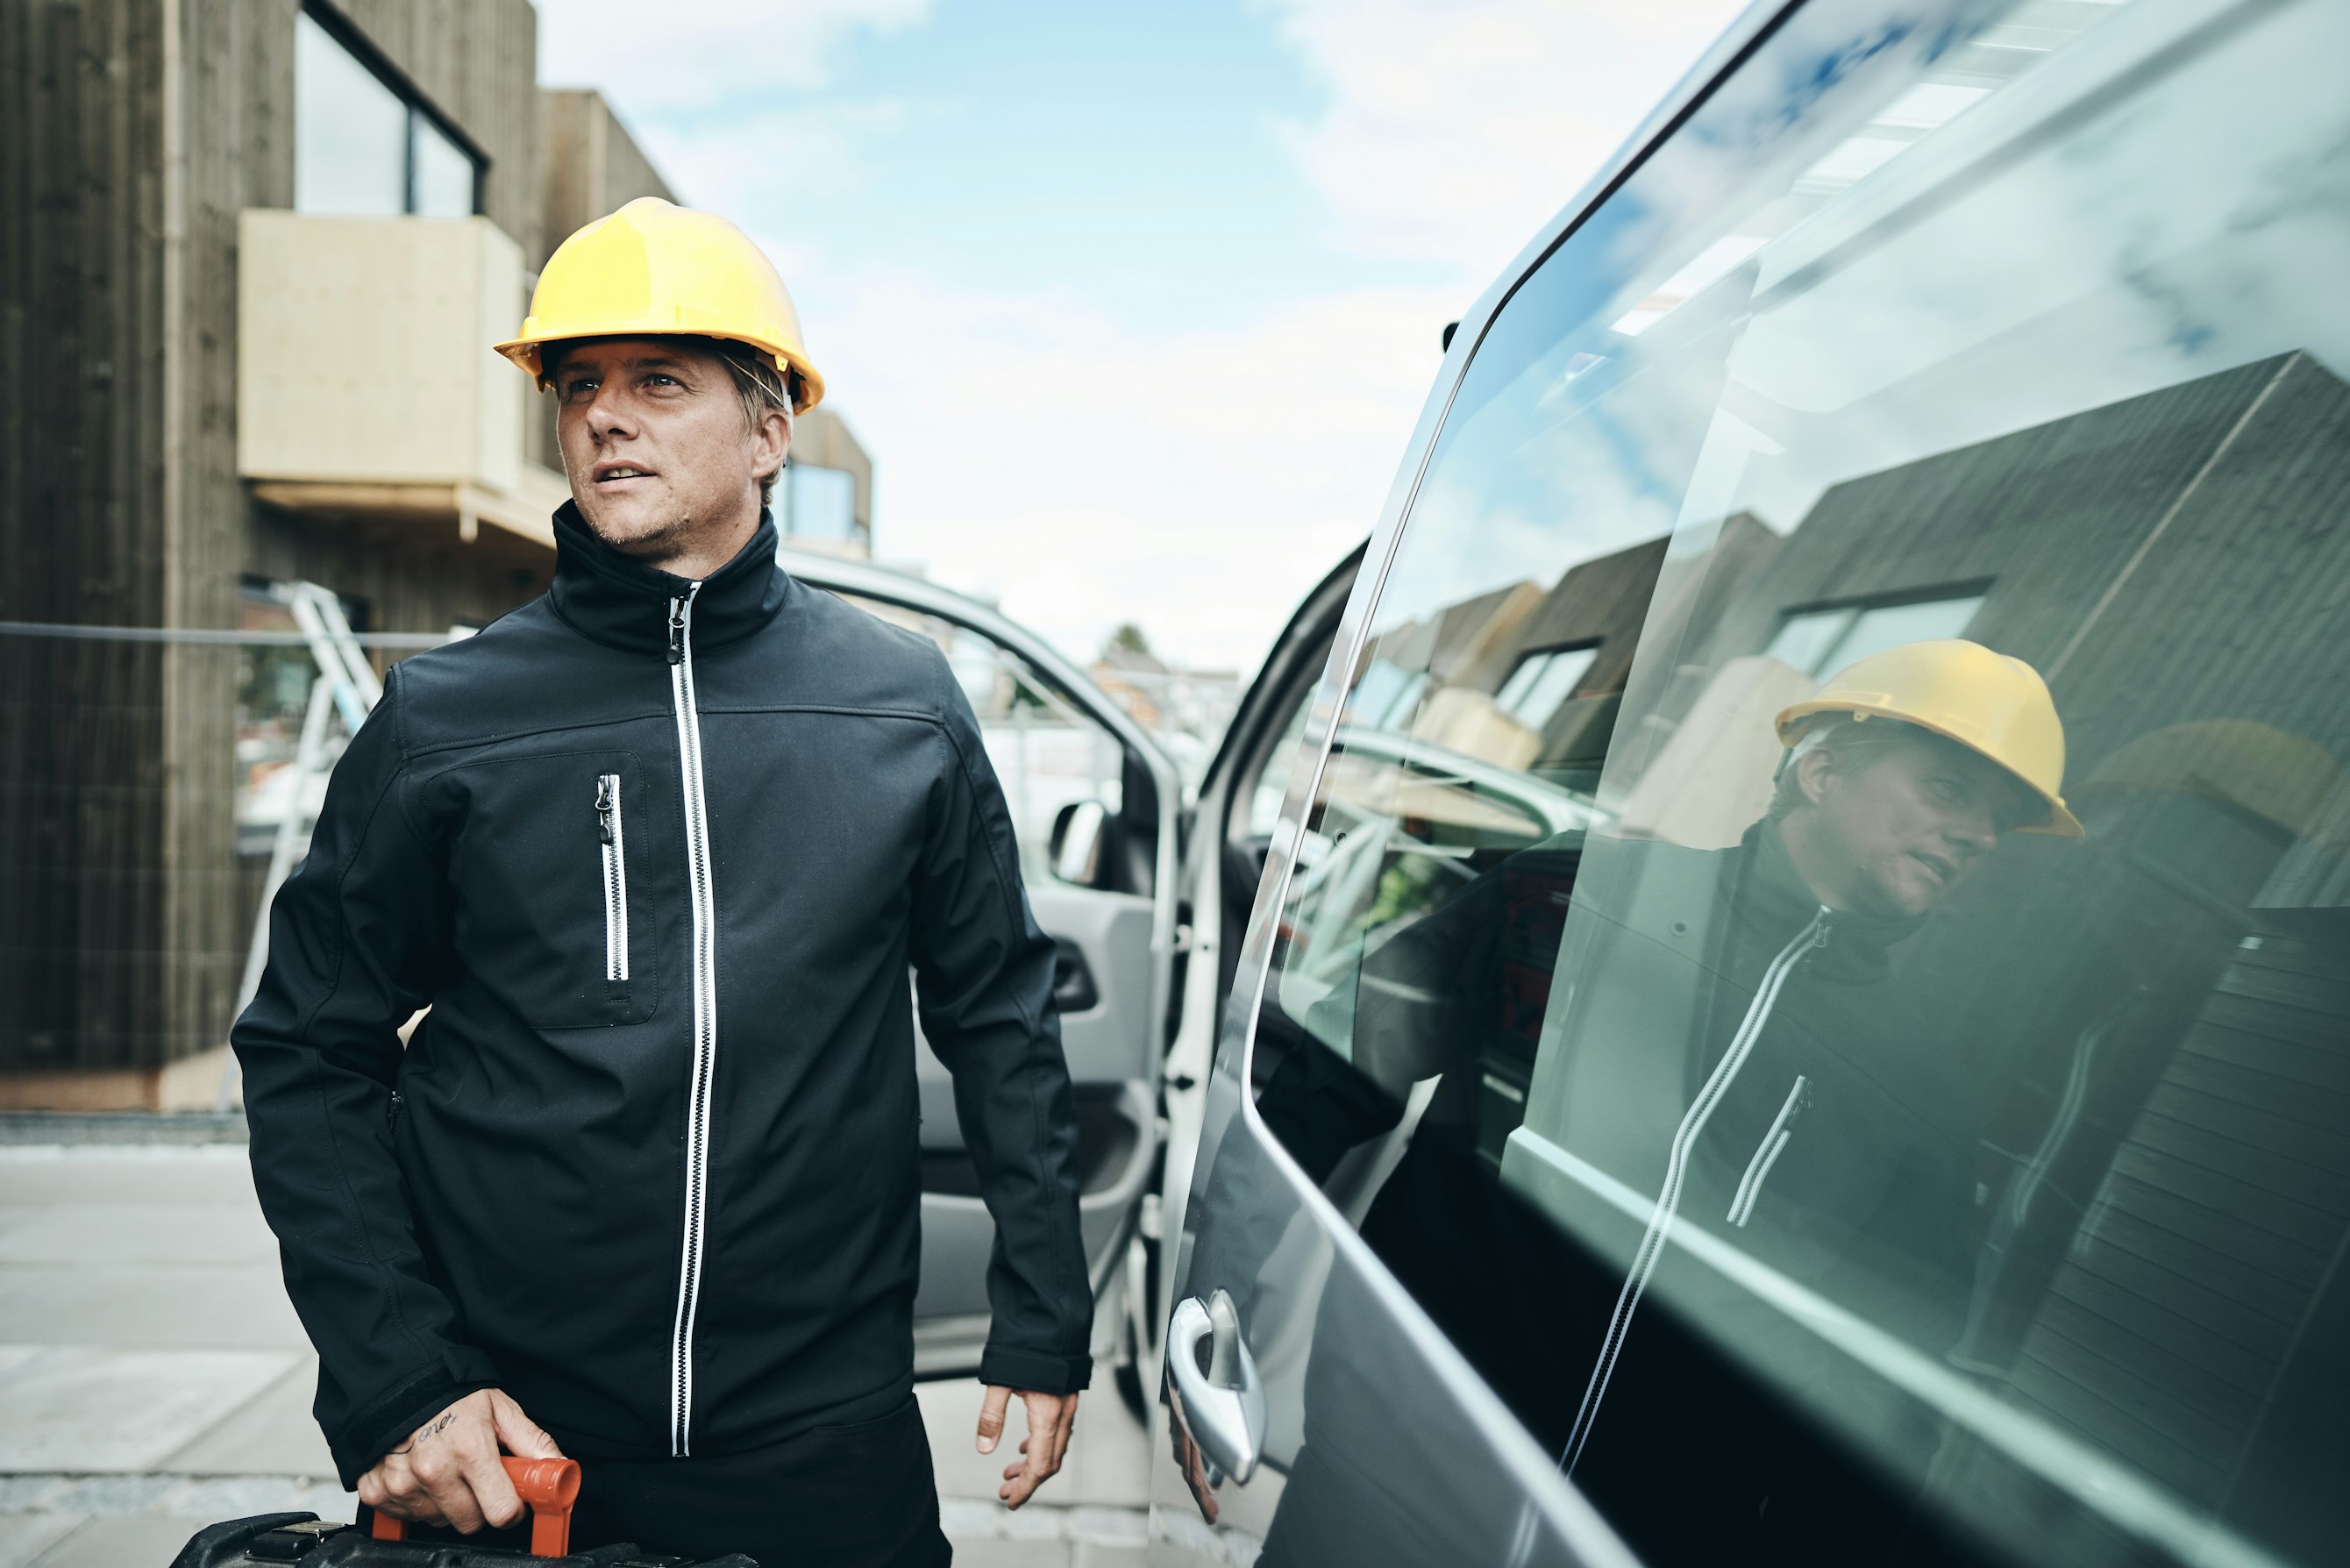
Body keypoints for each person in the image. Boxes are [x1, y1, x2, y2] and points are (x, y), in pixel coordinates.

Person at [232, 198, 1087, 1568]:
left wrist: (1044, 1321)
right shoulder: (447, 717)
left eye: (659, 383)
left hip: (825, 1436)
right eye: (580, 388)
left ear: (768, 430)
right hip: (512, 1446)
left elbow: (1000, 1015)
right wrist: (400, 1376)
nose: (604, 419)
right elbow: (306, 1049)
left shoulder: (901, 710)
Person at [1189, 638, 2076, 1562]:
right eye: (1948, 790)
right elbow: (1323, 1078)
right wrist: (1218, 1290)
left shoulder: (1927, 1079)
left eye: (2000, 822)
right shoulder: (1571, 895)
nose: (1976, 836)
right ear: (1820, 771)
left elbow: (1891, 1375)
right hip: (1396, 1451)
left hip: (1640, 1539)